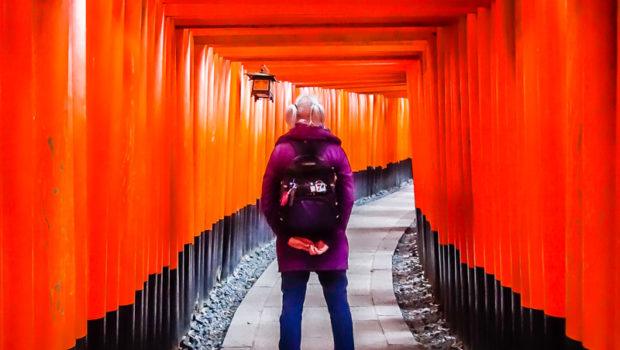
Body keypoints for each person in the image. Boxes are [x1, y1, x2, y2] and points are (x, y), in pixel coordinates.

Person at [261, 94, 355, 350]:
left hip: (293, 244)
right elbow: (347, 200)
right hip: (330, 246)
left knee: (291, 307)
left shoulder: (281, 151)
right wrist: (331, 239)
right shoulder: (335, 150)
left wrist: (286, 236)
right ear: (320, 114)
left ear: (294, 114)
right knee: (339, 307)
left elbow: (266, 201)